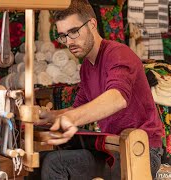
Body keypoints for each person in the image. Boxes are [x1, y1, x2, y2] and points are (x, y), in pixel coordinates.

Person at [27, 0, 163, 179]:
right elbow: (77, 109)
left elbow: (117, 98)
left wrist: (70, 118)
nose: (68, 42)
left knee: (55, 164)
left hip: (141, 153)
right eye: (63, 36)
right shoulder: (86, 67)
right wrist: (51, 116)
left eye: (74, 32)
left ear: (92, 24)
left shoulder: (118, 54)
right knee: (38, 161)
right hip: (112, 146)